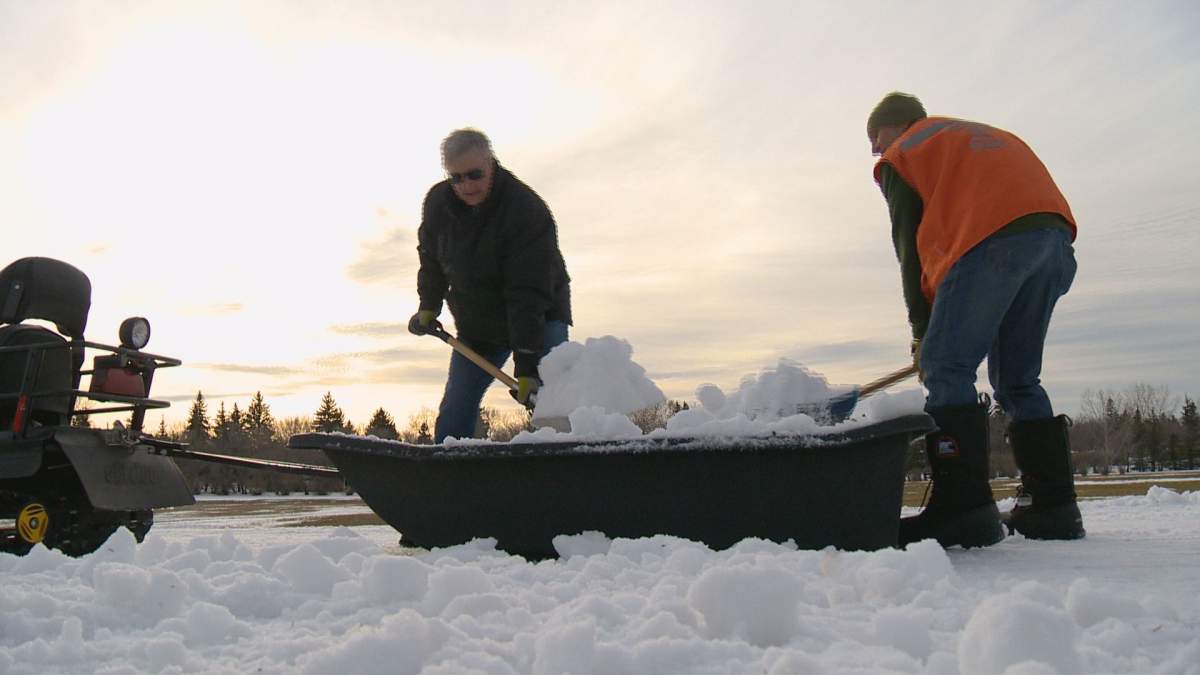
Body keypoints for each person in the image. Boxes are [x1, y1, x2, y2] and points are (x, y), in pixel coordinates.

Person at [867, 92, 1083, 548]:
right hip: (1053, 240)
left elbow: (910, 251)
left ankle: (962, 510)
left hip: (993, 241)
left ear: (895, 127)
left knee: (947, 367)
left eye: (875, 137)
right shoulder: (974, 136)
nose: (874, 149)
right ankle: (1053, 506)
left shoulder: (905, 153)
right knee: (1019, 380)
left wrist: (923, 333)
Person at [408, 128, 572, 442]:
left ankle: (565, 466)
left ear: (491, 163)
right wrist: (428, 306)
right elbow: (431, 259)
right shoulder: (438, 204)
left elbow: (528, 291)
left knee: (553, 407)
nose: (466, 185)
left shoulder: (524, 210)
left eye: (474, 175)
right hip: (479, 322)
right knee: (456, 407)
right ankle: (447, 475)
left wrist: (526, 363)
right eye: (456, 178)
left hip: (539, 317)